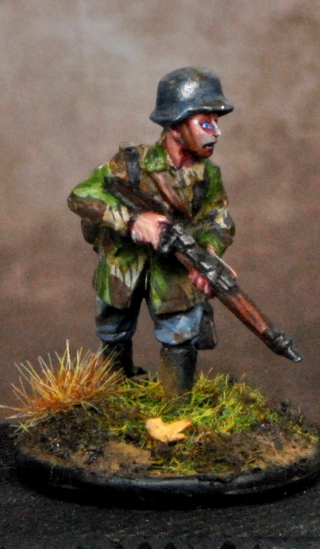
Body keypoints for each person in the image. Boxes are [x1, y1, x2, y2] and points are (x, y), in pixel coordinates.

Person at [67, 66, 235, 395]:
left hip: (173, 273)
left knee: (180, 337)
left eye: (216, 122)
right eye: (206, 123)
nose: (216, 132)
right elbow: (81, 196)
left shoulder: (208, 176)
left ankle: (177, 410)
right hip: (123, 269)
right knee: (113, 331)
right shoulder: (132, 163)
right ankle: (112, 395)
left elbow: (219, 220)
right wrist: (133, 221)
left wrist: (208, 255)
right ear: (176, 124)